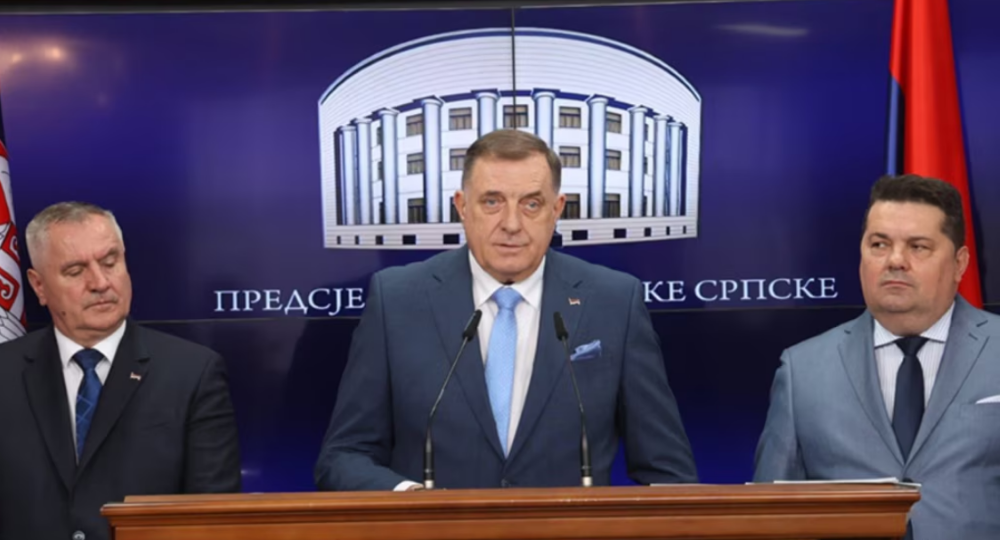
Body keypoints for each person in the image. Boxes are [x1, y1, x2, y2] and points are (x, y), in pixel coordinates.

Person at [315, 129, 696, 491]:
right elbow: (344, 456)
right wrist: (414, 502)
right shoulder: (397, 299)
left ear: (556, 209)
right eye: (492, 202)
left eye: (531, 204)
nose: (511, 224)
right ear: (462, 206)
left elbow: (668, 471)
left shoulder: (614, 301)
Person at [754, 174, 1000, 539]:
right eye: (879, 244)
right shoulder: (802, 370)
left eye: (918, 247)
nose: (895, 261)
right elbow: (769, 518)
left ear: (960, 263)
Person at [0, 202, 242, 540]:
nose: (100, 282)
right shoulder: (5, 373)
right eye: (75, 271)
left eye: (110, 262)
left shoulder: (193, 373)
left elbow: (213, 520)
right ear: (39, 286)